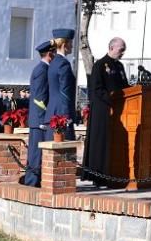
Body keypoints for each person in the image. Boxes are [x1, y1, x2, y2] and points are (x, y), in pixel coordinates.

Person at [84, 37, 129, 187]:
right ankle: (99, 176)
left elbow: (125, 87)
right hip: (103, 110)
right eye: (121, 49)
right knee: (101, 143)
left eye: (123, 50)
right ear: (112, 48)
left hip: (120, 111)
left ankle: (114, 173)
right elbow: (96, 89)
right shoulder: (99, 65)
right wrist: (112, 100)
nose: (122, 53)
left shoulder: (120, 67)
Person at [24, 41, 55, 186]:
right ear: (50, 54)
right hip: (39, 120)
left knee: (37, 153)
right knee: (36, 153)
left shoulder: (42, 68)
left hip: (39, 119)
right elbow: (39, 98)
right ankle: (31, 183)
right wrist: (43, 120)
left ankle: (35, 180)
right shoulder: (42, 70)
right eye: (54, 53)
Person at [45, 29, 78, 141]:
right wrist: (67, 116)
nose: (72, 47)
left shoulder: (53, 62)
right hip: (61, 113)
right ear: (65, 45)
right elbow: (65, 91)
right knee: (65, 153)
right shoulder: (64, 64)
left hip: (53, 110)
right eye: (71, 43)